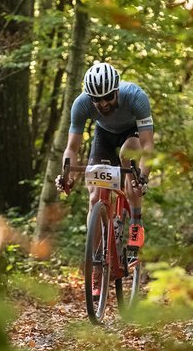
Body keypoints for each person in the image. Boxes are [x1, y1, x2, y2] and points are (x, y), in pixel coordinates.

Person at [56, 61, 154, 248]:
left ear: (116, 90)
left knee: (128, 160)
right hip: (104, 134)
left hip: (132, 133)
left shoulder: (135, 96)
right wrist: (68, 176)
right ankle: (96, 259)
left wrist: (143, 177)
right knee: (94, 198)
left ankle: (135, 222)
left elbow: (148, 143)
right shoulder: (81, 104)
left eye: (108, 97)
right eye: (96, 99)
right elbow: (72, 148)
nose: (103, 103)